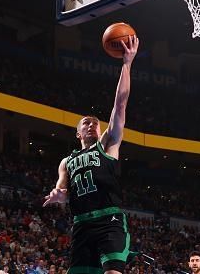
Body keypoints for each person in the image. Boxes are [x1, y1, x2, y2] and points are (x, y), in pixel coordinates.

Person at [43, 35, 139, 274]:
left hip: (109, 220)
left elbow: (120, 105)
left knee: (113, 272)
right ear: (78, 133)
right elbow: (64, 192)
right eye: (86, 123)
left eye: (95, 123)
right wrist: (59, 195)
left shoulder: (107, 145)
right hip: (82, 224)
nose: (92, 125)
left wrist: (127, 64)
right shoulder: (67, 161)